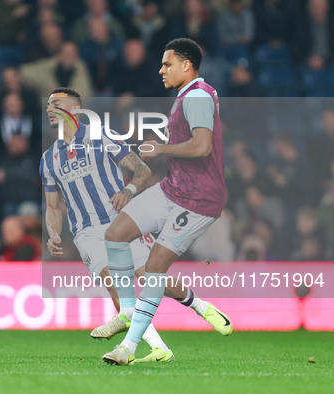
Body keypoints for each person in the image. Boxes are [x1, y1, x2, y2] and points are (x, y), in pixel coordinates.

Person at [41, 87, 231, 363]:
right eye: (48, 104)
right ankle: (157, 348)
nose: (49, 108)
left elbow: (143, 169)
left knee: (150, 277)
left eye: (56, 103)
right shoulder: (49, 158)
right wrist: (54, 233)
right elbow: (53, 206)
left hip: (121, 221)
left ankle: (200, 306)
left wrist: (129, 190)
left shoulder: (101, 137)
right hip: (85, 232)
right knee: (114, 284)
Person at [101, 38, 232, 366]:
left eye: (167, 64)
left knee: (154, 268)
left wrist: (161, 148)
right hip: (172, 189)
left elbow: (201, 146)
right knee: (115, 235)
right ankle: (167, 308)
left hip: (198, 200)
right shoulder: (186, 95)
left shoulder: (199, 96)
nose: (161, 70)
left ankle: (128, 348)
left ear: (186, 65)